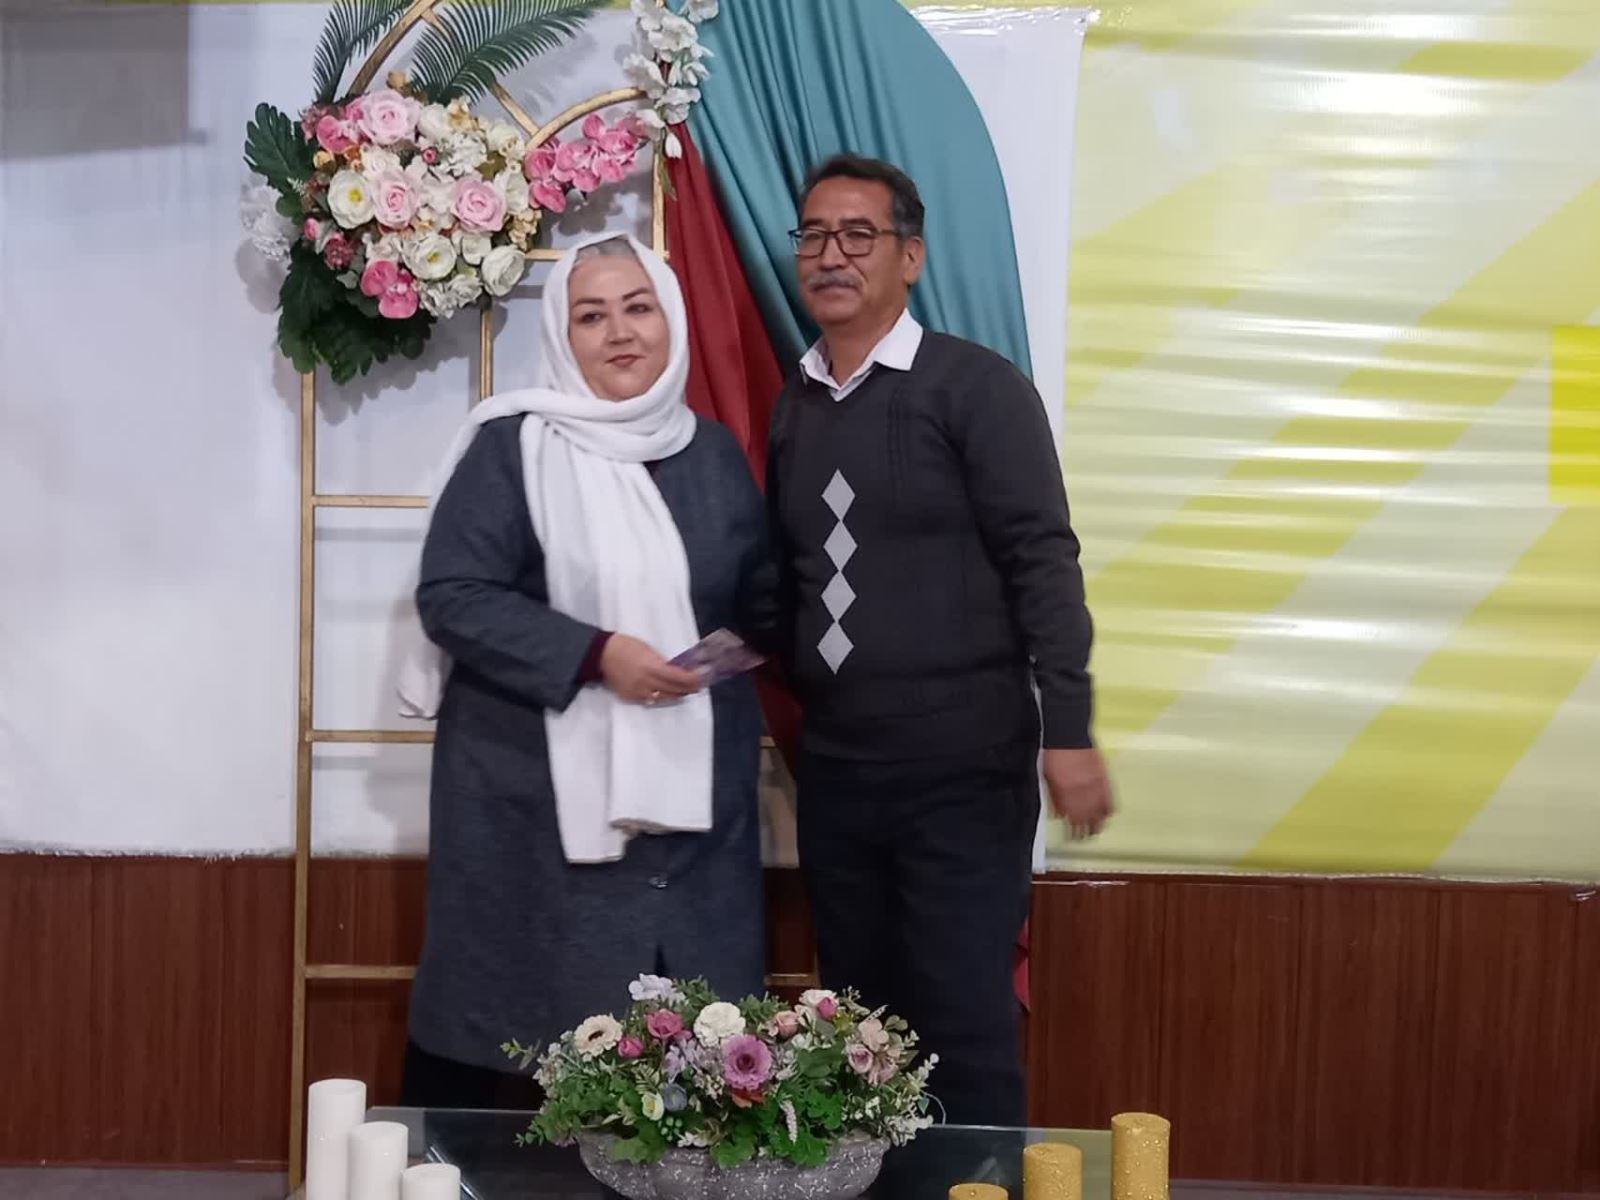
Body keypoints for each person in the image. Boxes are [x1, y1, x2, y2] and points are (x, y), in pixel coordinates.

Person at [766, 154, 1114, 1127]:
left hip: (963, 771)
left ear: (910, 257)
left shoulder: (976, 389)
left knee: (960, 1027)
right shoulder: (795, 403)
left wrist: (1069, 729)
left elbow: (1043, 561)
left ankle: (981, 1187)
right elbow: (791, 578)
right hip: (839, 775)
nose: (830, 255)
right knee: (859, 1036)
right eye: (813, 235)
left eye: (857, 235)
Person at [396, 232, 774, 1109]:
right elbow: (453, 596)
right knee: (520, 1053)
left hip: (691, 819)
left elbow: (757, 595)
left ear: (671, 319)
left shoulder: (713, 455)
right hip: (532, 816)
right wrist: (598, 654)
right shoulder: (512, 448)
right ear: (563, 338)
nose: (620, 332)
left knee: (683, 1074)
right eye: (591, 316)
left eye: (639, 308)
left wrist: (756, 633)